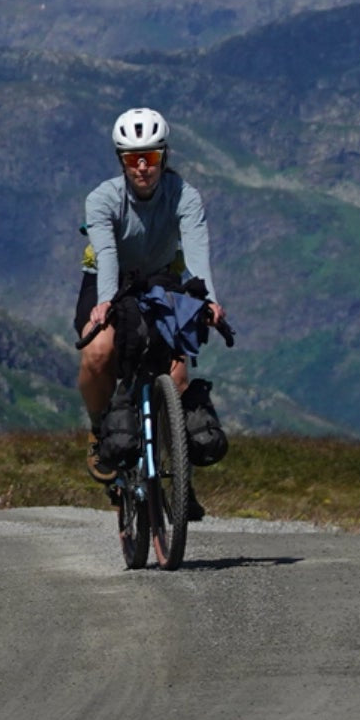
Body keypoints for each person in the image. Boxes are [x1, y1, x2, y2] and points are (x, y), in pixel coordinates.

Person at [75, 107, 226, 488]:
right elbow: (107, 255)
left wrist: (208, 301)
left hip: (161, 279)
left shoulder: (184, 196)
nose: (142, 167)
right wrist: (106, 302)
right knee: (99, 352)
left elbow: (196, 252)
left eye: (151, 157)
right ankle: (99, 432)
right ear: (120, 161)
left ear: (164, 157)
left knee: (174, 373)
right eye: (132, 159)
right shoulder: (102, 199)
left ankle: (178, 482)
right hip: (109, 280)